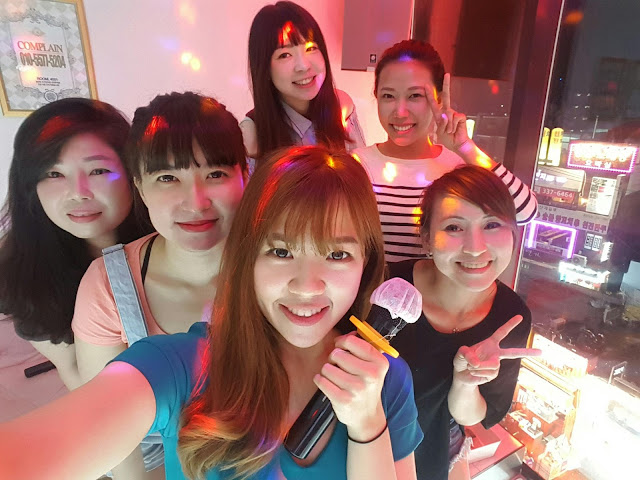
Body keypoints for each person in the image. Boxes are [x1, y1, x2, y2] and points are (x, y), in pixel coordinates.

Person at [0, 146, 423, 480]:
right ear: (246, 258)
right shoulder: (181, 365)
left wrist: (368, 425)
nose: (307, 285)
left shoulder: (386, 380)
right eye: (280, 251)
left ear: (366, 263)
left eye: (337, 254)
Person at [70, 92, 247, 479]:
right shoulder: (108, 286)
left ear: (243, 176)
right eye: (168, 178)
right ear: (140, 186)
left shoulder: (281, 267)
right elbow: (109, 430)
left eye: (215, 174)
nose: (196, 202)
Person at [387, 165, 541, 480]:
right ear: (427, 239)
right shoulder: (387, 286)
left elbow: (471, 417)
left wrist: (467, 383)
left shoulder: (511, 316)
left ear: (513, 233)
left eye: (492, 224)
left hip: (435, 451)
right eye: (454, 227)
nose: (475, 247)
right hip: (361, 444)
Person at [0, 98, 151, 391]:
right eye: (54, 174)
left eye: (98, 171)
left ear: (133, 173)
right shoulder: (19, 272)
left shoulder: (170, 238)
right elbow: (77, 373)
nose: (78, 193)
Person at [354, 40, 538, 261]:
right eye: (388, 96)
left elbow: (525, 212)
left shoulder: (457, 168)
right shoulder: (354, 166)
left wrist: (465, 148)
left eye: (415, 96)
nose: (400, 112)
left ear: (439, 99)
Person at [240, 1, 365, 163]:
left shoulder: (341, 108)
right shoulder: (252, 133)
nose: (303, 66)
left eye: (311, 48)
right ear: (264, 69)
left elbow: (361, 172)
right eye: (285, 55)